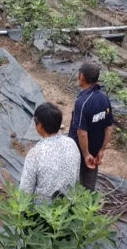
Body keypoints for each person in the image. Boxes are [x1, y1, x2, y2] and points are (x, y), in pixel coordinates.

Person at [20, 102, 81, 201]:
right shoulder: (72, 143)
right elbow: (76, 178)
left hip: (44, 212)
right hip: (69, 205)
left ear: (40, 126)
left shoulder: (35, 154)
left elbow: (25, 191)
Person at [68, 61, 114, 191]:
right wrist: (102, 150)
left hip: (80, 151)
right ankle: (88, 208)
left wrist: (86, 153)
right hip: (95, 151)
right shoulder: (104, 98)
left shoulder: (82, 102)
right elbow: (109, 127)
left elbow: (82, 132)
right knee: (89, 185)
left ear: (81, 77)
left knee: (74, 182)